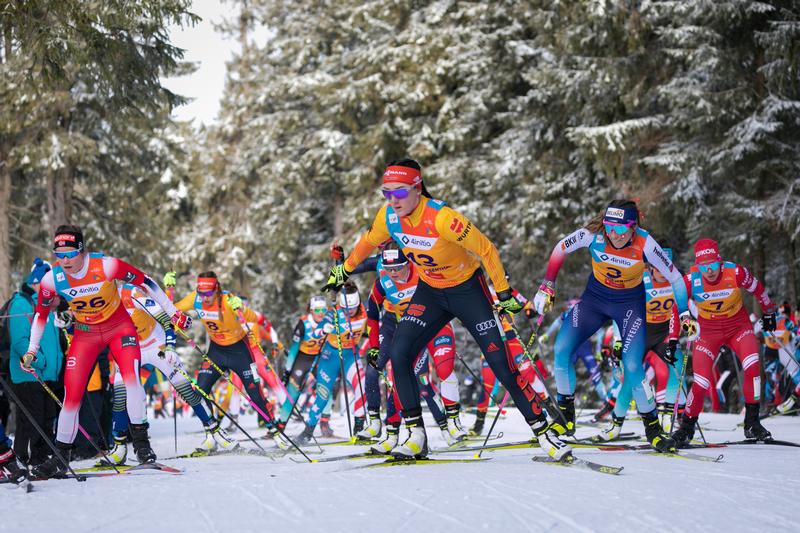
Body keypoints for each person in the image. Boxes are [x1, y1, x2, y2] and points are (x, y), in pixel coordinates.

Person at [324, 159, 567, 460]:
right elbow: (367, 242)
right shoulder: (389, 216)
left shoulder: (442, 218)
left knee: (499, 362)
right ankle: (415, 434)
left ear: (417, 188)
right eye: (386, 193)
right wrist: (344, 271)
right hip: (431, 292)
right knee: (399, 353)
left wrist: (503, 292)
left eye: (399, 193)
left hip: (468, 290)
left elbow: (487, 249)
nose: (391, 200)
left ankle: (543, 430)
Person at [20, 225, 188, 478]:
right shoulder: (51, 279)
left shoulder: (107, 266)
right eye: (59, 255)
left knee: (131, 383)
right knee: (72, 396)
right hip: (85, 335)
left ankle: (143, 448)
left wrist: (172, 312)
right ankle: (60, 457)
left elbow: (146, 282)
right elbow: (41, 316)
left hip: (119, 329)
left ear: (82, 251)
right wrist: (32, 350)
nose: (64, 261)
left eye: (70, 254)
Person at [533, 200, 689, 452]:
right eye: (610, 228)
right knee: (561, 348)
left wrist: (684, 314)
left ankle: (653, 429)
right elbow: (560, 248)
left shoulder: (645, 243)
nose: (615, 235)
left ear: (633, 227)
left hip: (629, 306)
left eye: (622, 229)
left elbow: (676, 278)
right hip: (594, 302)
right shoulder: (592, 235)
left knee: (631, 364)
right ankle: (565, 417)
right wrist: (547, 285)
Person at [350, 243, 466, 447]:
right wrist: (374, 345)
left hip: (436, 324)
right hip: (404, 327)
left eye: (398, 267)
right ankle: (390, 431)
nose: (393, 273)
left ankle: (452, 422)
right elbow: (372, 312)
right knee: (395, 377)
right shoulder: (382, 281)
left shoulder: (422, 269)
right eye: (388, 268)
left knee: (443, 370)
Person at [106, 283, 232, 465]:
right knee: (120, 396)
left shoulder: (132, 293)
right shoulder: (99, 303)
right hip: (129, 349)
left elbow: (165, 320)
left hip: (156, 344)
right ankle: (119, 447)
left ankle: (215, 431)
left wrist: (171, 346)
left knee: (186, 391)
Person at [671, 239, 776, 445]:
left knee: (753, 366)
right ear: (697, 266)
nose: (709, 271)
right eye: (703, 267)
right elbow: (676, 309)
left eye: (713, 265)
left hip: (738, 327)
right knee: (701, 382)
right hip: (708, 332)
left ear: (720, 261)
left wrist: (769, 311)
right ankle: (686, 427)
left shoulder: (735, 272)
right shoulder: (690, 281)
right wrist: (675, 335)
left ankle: (752, 422)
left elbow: (757, 289)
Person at [169, 271, 283, 441]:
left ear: (217, 289)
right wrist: (169, 289)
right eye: (202, 293)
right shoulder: (195, 299)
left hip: (239, 351)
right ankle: (213, 433)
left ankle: (273, 430)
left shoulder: (228, 301)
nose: (205, 298)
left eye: (209, 293)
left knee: (255, 393)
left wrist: (242, 309)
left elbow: (253, 317)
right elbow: (171, 309)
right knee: (200, 390)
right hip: (217, 352)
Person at [596, 249, 686, 441]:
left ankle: (668, 417)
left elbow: (689, 308)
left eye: (667, 267)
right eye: (659, 267)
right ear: (650, 267)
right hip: (640, 332)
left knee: (678, 365)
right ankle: (615, 425)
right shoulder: (639, 281)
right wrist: (618, 343)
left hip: (663, 333)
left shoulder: (678, 281)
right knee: (629, 380)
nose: (664, 272)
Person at [294, 282, 368, 444]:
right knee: (322, 395)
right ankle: (308, 431)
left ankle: (359, 428)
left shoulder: (365, 312)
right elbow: (316, 332)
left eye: (352, 309)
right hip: (330, 356)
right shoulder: (333, 313)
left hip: (350, 355)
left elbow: (373, 327)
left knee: (361, 385)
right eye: (346, 309)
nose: (349, 312)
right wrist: (324, 329)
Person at [8, 259, 64, 469]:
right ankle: (22, 457)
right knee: (31, 418)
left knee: (47, 417)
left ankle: (40, 457)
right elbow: (21, 341)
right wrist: (40, 361)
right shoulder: (22, 303)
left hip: (47, 375)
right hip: (28, 373)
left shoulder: (46, 305)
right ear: (37, 282)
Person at [275, 296, 327, 426]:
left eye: (323, 309)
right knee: (293, 392)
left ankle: (325, 423)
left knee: (326, 389)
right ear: (311, 310)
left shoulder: (328, 321)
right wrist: (287, 371)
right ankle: (280, 426)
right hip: (303, 359)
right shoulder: (303, 324)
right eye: (317, 309)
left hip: (319, 358)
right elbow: (293, 350)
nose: (321, 313)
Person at [755, 303, 800, 414]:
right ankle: (770, 403)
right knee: (772, 377)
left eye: (785, 313)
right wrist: (760, 335)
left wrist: (794, 337)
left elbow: (794, 332)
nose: (783, 315)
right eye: (782, 312)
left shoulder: (787, 321)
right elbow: (757, 330)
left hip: (783, 350)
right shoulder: (769, 318)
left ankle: (782, 401)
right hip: (771, 351)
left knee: (789, 375)